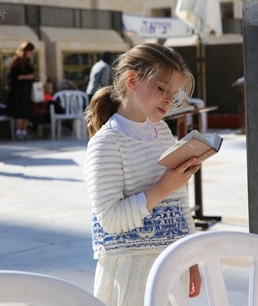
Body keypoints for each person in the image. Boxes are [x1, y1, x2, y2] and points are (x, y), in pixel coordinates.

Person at [83, 43, 201, 305]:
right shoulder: (106, 143)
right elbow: (110, 220)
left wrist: (190, 256)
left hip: (171, 267)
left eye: (174, 92)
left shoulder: (163, 133)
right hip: (129, 276)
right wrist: (163, 187)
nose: (169, 99)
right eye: (161, 88)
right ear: (133, 80)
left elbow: (180, 203)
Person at [6, 41, 36, 140]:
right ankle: (18, 131)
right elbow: (14, 77)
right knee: (20, 112)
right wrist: (27, 77)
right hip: (18, 92)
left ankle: (24, 131)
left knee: (26, 112)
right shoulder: (17, 62)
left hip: (27, 91)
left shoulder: (28, 62)